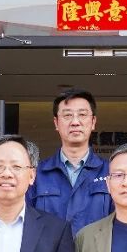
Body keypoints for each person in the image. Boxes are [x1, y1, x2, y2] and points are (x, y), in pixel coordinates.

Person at [29, 88, 113, 235]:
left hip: (95, 250)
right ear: (56, 123)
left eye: (82, 115)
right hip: (50, 250)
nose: (75, 122)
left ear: (93, 122)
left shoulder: (111, 172)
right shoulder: (36, 174)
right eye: (67, 115)